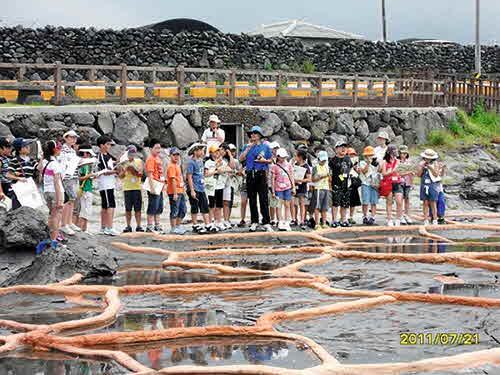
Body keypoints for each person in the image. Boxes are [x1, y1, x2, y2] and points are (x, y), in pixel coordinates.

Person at [239, 126, 273, 232]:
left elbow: (271, 160)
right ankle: (254, 221)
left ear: (259, 135)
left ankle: (266, 221)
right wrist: (248, 148)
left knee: (263, 199)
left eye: (255, 133)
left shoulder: (265, 147)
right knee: (252, 199)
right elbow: (240, 159)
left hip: (261, 173)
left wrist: (264, 161)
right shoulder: (246, 146)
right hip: (250, 173)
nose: (253, 135)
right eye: (251, 133)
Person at [40, 140, 65, 244]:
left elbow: (39, 172)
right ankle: (54, 240)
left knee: (51, 215)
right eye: (59, 148)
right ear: (55, 150)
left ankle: (50, 238)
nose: (60, 150)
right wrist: (59, 200)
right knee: (56, 216)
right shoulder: (55, 164)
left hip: (46, 191)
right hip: (55, 192)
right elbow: (57, 183)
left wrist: (42, 157)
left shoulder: (45, 162)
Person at [95, 135, 120, 236]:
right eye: (108, 144)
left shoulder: (108, 155)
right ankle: (109, 227)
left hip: (110, 184)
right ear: (101, 145)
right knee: (110, 205)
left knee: (106, 206)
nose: (109, 146)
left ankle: (104, 227)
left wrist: (120, 159)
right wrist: (116, 171)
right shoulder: (100, 156)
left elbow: (114, 162)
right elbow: (105, 171)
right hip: (105, 184)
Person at [6, 138, 38, 210]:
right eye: (25, 146)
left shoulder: (32, 160)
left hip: (28, 190)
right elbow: (8, 175)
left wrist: (41, 158)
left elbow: (39, 168)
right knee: (18, 212)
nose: (28, 148)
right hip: (18, 191)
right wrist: (19, 178)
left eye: (28, 146)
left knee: (30, 211)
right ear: (19, 150)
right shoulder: (14, 161)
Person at [60, 130, 81, 235]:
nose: (74, 139)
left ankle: (69, 222)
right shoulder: (62, 150)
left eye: (75, 138)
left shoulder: (72, 150)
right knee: (68, 200)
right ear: (66, 138)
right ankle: (64, 224)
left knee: (72, 200)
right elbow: (63, 164)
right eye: (71, 137)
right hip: (66, 177)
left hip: (73, 177)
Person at [119, 145, 144, 233]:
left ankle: (139, 225)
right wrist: (125, 170)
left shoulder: (139, 161)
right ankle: (128, 225)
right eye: (130, 153)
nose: (132, 155)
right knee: (128, 209)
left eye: (133, 153)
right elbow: (120, 176)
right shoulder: (123, 162)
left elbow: (140, 174)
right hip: (127, 188)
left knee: (138, 208)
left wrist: (133, 170)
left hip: (137, 187)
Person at [186, 143, 210, 234]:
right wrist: (192, 190)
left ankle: (207, 223)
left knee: (204, 205)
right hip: (194, 187)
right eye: (201, 150)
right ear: (195, 151)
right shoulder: (191, 162)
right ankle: (195, 224)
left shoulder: (200, 161)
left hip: (201, 187)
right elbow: (189, 177)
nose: (202, 152)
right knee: (195, 206)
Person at [205, 144, 228, 232]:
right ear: (211, 153)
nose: (217, 153)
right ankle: (210, 222)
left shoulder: (222, 161)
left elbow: (229, 168)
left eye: (218, 151)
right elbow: (206, 174)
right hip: (211, 186)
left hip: (220, 185)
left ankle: (218, 221)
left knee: (219, 205)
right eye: (215, 151)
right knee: (211, 205)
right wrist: (216, 171)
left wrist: (223, 170)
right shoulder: (208, 162)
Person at [329, 141, 352, 228]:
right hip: (336, 184)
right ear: (336, 148)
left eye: (345, 147)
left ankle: (343, 220)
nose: (343, 149)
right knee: (335, 203)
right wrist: (330, 185)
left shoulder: (348, 158)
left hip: (346, 184)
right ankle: (334, 220)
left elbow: (351, 169)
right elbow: (329, 174)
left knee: (345, 203)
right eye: (341, 147)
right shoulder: (332, 160)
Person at [145, 138, 166, 234]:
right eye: (156, 148)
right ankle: (149, 226)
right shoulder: (150, 159)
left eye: (159, 148)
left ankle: (157, 225)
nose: (158, 150)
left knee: (159, 206)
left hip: (160, 185)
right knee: (153, 205)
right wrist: (152, 187)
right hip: (154, 185)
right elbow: (149, 174)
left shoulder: (158, 159)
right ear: (150, 149)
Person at [271, 148, 295, 231]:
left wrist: (293, 187)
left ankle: (287, 221)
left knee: (287, 205)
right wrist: (273, 191)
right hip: (278, 188)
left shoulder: (289, 165)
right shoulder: (275, 167)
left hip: (288, 187)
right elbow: (272, 179)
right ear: (278, 156)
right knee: (279, 205)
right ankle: (280, 221)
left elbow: (291, 177)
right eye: (282, 157)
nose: (283, 158)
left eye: (284, 157)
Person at [380, 145, 404, 226]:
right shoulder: (384, 162)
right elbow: (383, 174)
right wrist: (391, 172)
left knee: (399, 201)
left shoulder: (397, 161)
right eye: (392, 153)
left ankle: (398, 218)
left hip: (397, 182)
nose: (393, 155)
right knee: (389, 201)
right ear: (388, 153)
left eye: (395, 153)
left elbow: (400, 172)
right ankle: (389, 219)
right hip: (388, 183)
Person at [166, 147, 187, 234]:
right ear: (170, 156)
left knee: (183, 210)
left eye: (177, 155)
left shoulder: (177, 165)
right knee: (174, 210)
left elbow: (180, 179)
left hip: (180, 191)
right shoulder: (171, 166)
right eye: (174, 155)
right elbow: (173, 180)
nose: (176, 156)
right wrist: (175, 193)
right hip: (174, 192)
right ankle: (173, 228)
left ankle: (178, 226)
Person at [417, 149, 440, 226]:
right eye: (426, 158)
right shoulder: (421, 163)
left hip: (432, 184)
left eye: (429, 158)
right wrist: (421, 167)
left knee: (433, 202)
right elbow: (419, 175)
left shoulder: (435, 163)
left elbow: (436, 174)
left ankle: (435, 219)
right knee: (425, 202)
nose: (427, 159)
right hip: (424, 184)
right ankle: (426, 219)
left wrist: (430, 168)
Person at [77, 145, 96, 233]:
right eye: (88, 154)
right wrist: (89, 176)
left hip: (89, 189)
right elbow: (79, 178)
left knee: (87, 210)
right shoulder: (82, 166)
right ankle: (81, 230)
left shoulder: (88, 166)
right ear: (85, 154)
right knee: (84, 210)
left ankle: (85, 230)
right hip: (85, 189)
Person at [358, 146, 379, 225]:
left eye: (371, 155)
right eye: (368, 155)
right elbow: (364, 171)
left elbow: (378, 171)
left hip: (374, 184)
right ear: (365, 156)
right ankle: (365, 216)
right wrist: (368, 163)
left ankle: (373, 217)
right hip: (365, 184)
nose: (370, 156)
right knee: (365, 201)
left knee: (374, 201)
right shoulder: (362, 162)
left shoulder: (375, 163)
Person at [310, 151, 330, 231]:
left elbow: (329, 178)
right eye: (322, 160)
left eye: (325, 160)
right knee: (317, 207)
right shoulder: (315, 167)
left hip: (326, 188)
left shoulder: (327, 167)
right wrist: (322, 176)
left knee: (324, 208)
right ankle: (317, 223)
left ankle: (324, 223)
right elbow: (313, 179)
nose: (323, 162)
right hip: (318, 188)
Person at [293, 150, 311, 230]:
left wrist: (299, 180)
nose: (295, 158)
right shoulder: (295, 164)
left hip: (302, 188)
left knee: (302, 204)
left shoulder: (306, 166)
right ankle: (295, 219)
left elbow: (309, 179)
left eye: (296, 156)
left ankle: (302, 220)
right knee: (294, 204)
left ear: (300, 157)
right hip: (295, 187)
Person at [221, 143, 238, 229]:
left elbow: (233, 166)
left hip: (227, 183)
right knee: (218, 203)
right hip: (219, 183)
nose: (222, 151)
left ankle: (226, 220)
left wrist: (229, 154)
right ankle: (218, 220)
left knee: (226, 202)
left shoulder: (229, 159)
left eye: (224, 150)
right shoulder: (218, 158)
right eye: (221, 150)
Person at [398, 145, 414, 225]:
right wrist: (407, 172)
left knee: (407, 198)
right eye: (402, 153)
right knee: (400, 199)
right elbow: (398, 173)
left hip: (408, 182)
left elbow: (412, 174)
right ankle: (400, 216)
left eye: (405, 153)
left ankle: (407, 215)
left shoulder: (409, 161)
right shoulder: (397, 161)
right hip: (399, 182)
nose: (403, 155)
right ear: (399, 153)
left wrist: (412, 183)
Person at [267, 142, 281, 226]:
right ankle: (272, 219)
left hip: (280, 184)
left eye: (276, 148)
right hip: (270, 183)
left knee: (279, 202)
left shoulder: (282, 159)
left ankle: (279, 219)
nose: (275, 150)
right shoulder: (268, 159)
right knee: (272, 203)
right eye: (274, 148)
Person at [346, 148, 361, 225]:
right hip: (346, 183)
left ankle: (351, 217)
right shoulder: (344, 162)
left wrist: (355, 168)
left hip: (354, 183)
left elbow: (359, 172)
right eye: (350, 155)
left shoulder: (356, 163)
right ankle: (344, 217)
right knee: (345, 201)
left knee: (353, 202)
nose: (352, 156)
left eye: (353, 155)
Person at [0, 137, 13, 204]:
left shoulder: (7, 158)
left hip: (9, 185)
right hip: (4, 186)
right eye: (7, 148)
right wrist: (1, 192)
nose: (10, 150)